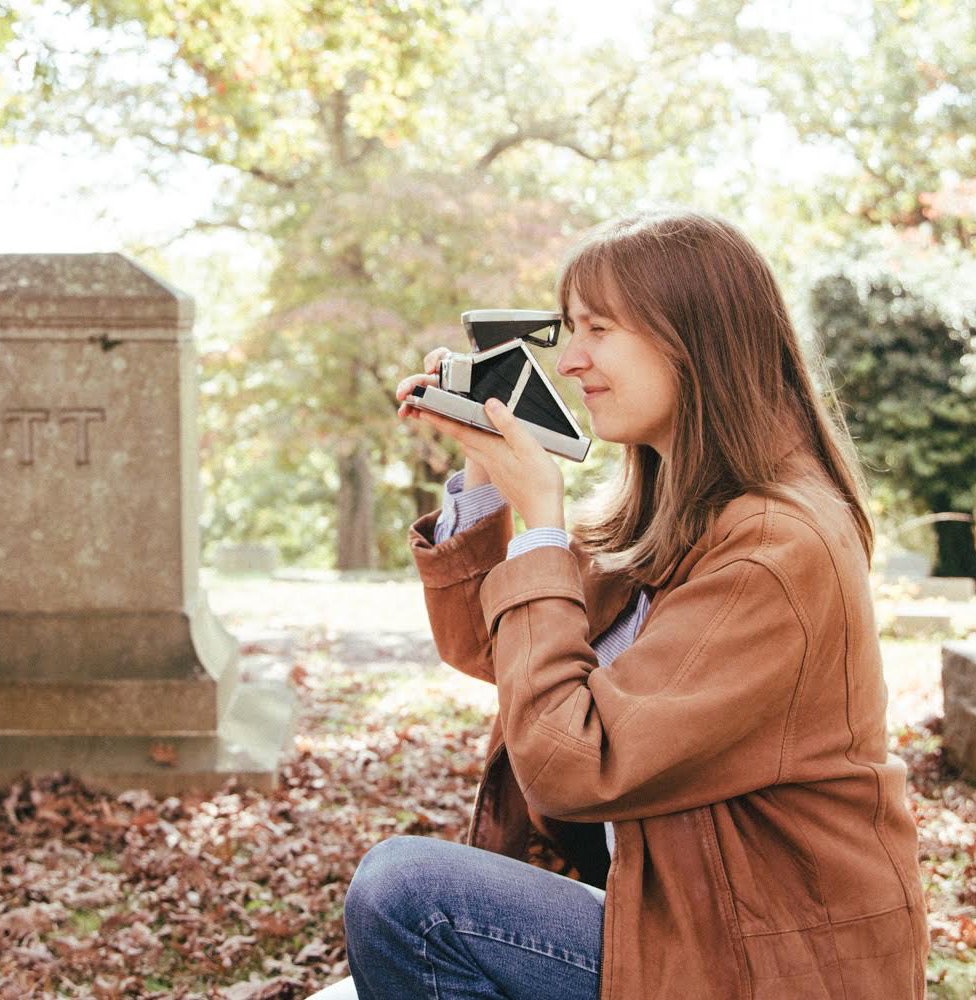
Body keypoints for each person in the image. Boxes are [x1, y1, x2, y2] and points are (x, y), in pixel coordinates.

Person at [322, 208, 929, 999]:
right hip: (682, 914)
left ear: (693, 341)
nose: (571, 359)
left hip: (761, 964)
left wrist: (543, 523)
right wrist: (485, 467)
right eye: (571, 328)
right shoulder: (668, 513)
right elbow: (495, 646)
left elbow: (571, 766)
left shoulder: (777, 549)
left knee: (410, 897)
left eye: (598, 329)